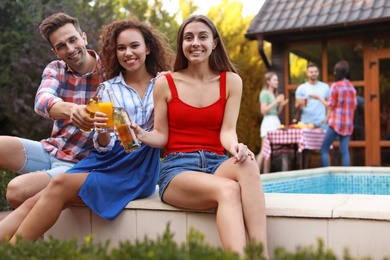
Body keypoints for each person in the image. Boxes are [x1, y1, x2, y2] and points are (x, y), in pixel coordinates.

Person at [0, 17, 175, 243]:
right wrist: (102, 131)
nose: (128, 53)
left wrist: (141, 134)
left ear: (148, 47)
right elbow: (101, 144)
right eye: (121, 48)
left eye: (134, 46)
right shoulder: (108, 87)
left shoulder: (163, 83)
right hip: (102, 159)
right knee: (43, 195)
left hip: (137, 167)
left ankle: (16, 250)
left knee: (57, 185)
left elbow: (167, 131)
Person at [133, 15, 269, 258]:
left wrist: (236, 147)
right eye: (188, 37)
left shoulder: (232, 81)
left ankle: (261, 254)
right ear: (182, 45)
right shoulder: (165, 83)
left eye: (202, 36)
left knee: (247, 163)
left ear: (214, 43)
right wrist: (142, 134)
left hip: (216, 163)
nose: (195, 43)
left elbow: (227, 131)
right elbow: (162, 136)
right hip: (177, 170)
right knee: (228, 190)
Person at [0, 12, 105, 208]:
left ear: (84, 37)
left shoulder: (109, 71)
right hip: (53, 150)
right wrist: (71, 109)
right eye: (61, 46)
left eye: (73, 40)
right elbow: (42, 101)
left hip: (81, 165)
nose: (70, 49)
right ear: (55, 51)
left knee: (16, 191)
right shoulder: (56, 68)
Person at [320, 60, 357, 166]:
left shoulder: (336, 86)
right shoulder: (352, 88)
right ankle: (346, 178)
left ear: (338, 72)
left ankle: (325, 176)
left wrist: (319, 98)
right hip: (348, 123)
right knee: (345, 151)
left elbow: (330, 104)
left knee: (324, 149)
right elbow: (354, 106)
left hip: (336, 123)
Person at [256, 71, 288, 173]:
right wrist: (276, 102)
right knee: (264, 151)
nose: (277, 82)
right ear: (268, 81)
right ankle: (254, 173)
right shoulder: (264, 93)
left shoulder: (274, 94)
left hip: (275, 121)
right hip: (268, 122)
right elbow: (263, 110)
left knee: (269, 151)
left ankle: (266, 175)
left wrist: (282, 105)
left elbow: (276, 112)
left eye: (277, 80)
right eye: (274, 80)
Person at [295, 62, 330, 130]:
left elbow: (329, 105)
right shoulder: (301, 88)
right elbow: (297, 108)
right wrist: (299, 104)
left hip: (322, 123)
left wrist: (327, 118)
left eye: (315, 71)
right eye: (311, 72)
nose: (314, 73)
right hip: (306, 123)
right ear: (307, 73)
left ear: (318, 72)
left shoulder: (325, 87)